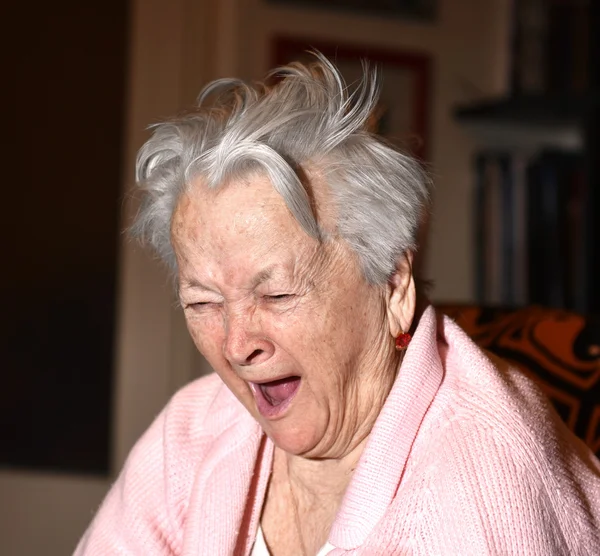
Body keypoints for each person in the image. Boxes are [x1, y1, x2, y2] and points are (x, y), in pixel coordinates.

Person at [75, 55, 600, 555]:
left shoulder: (488, 489)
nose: (237, 346)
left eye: (277, 294)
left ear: (393, 285)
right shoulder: (192, 433)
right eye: (203, 302)